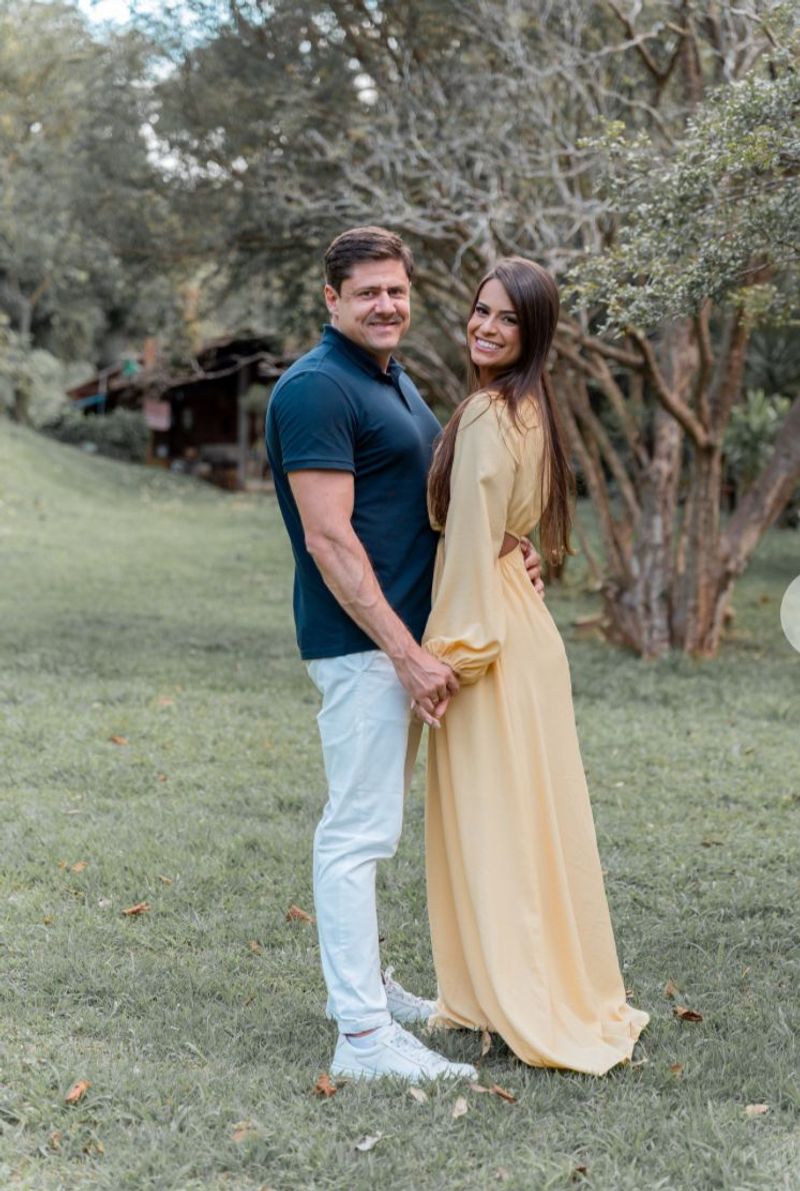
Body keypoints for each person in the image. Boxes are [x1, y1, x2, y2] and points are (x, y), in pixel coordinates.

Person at [265, 227, 544, 1083]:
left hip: (410, 646)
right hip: (365, 647)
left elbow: (428, 506)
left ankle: (369, 988)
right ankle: (361, 1037)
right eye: (367, 292)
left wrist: (508, 553)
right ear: (331, 299)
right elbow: (329, 539)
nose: (386, 304)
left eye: (396, 290)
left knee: (375, 826)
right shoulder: (316, 389)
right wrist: (403, 653)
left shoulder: (391, 378)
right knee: (357, 832)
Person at [420, 256, 649, 1074]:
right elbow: (507, 533)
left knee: (498, 826)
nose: (485, 326)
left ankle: (518, 996)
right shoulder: (528, 407)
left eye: (507, 318)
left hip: (493, 638)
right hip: (526, 628)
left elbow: (473, 541)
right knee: (532, 821)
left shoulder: (489, 411)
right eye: (481, 310)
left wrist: (449, 655)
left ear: (533, 333)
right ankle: (518, 987)